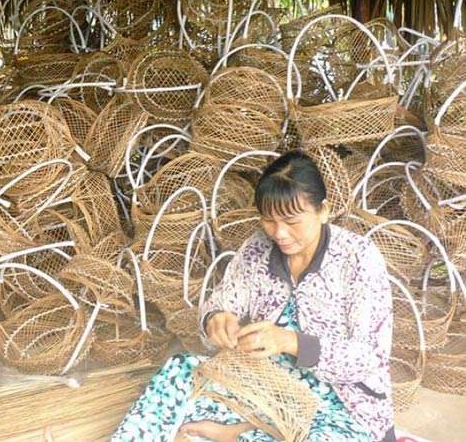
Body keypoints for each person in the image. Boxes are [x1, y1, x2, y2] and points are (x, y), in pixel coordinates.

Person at [112, 150, 394, 442]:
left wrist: (290, 342)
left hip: (339, 403)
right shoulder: (258, 248)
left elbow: (369, 357)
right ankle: (248, 431)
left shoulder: (359, 258)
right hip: (267, 388)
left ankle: (242, 433)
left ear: (323, 210)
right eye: (269, 219)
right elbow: (222, 303)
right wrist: (217, 320)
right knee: (180, 371)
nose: (279, 233)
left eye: (291, 220)